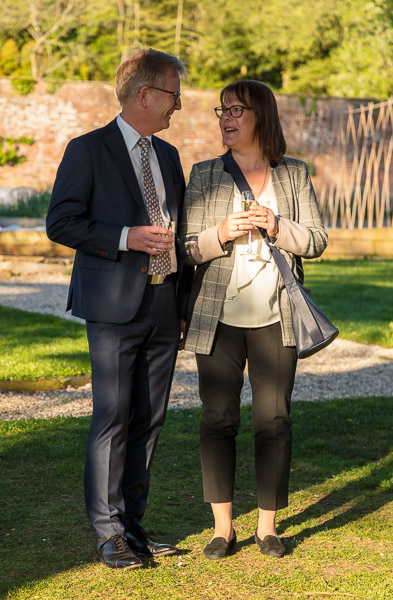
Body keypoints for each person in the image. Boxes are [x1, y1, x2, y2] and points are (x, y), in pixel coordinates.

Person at [46, 48, 192, 569]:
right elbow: (61, 222)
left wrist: (181, 304)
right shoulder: (87, 150)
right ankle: (108, 533)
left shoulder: (170, 156)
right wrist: (127, 236)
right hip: (112, 306)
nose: (179, 104)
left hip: (163, 303)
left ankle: (133, 526)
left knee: (149, 420)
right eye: (174, 94)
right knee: (112, 416)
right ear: (145, 94)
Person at [179, 80, 328, 560]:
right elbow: (184, 248)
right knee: (218, 419)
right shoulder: (204, 174)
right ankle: (223, 528)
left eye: (236, 109)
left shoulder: (293, 174)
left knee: (274, 420)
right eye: (221, 109)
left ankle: (268, 527)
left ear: (261, 115)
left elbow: (319, 240)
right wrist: (220, 232)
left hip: (276, 316)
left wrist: (277, 226)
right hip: (217, 318)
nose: (225, 117)